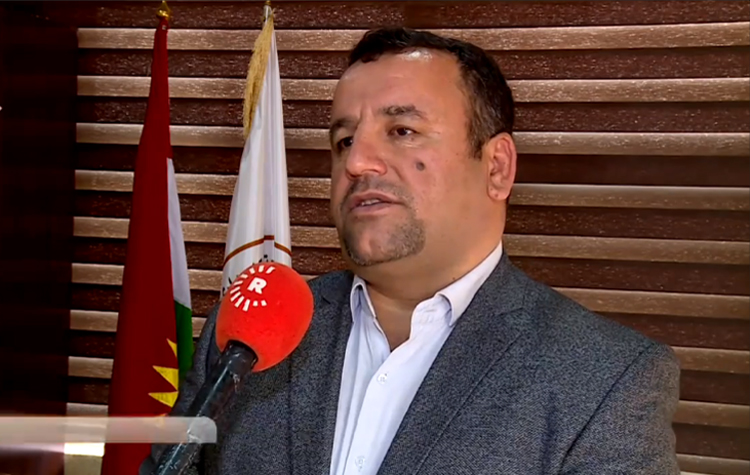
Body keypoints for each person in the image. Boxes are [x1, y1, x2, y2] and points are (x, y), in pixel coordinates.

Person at [141, 27, 680, 475]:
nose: (357, 163)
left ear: (496, 167)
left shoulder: (604, 381)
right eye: (344, 141)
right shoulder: (246, 334)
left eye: (401, 130)